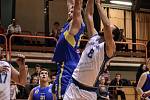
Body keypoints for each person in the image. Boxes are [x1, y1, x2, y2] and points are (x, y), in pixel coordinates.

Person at [63, 0, 122, 99]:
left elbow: (107, 25)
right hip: (74, 85)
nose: (104, 28)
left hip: (89, 92)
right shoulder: (94, 36)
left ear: (112, 35)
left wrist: (98, 4)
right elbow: (89, 15)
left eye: (108, 29)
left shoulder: (110, 48)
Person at [52, 0, 85, 99]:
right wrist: (73, 5)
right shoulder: (69, 24)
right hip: (70, 62)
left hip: (67, 65)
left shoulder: (76, 25)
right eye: (70, 11)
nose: (69, 12)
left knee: (62, 96)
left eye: (72, 11)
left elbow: (77, 9)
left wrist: (78, 4)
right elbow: (70, 4)